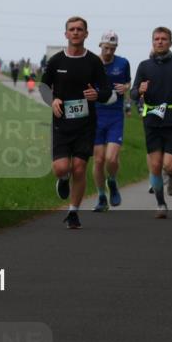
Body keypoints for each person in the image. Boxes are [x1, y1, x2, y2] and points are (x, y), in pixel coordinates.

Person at [40, 17, 113, 229]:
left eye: (79, 29)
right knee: (62, 168)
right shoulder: (56, 61)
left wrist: (97, 95)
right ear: (66, 34)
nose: (75, 32)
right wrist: (52, 100)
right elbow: (44, 87)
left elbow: (107, 90)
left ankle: (73, 212)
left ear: (86, 34)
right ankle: (63, 180)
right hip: (61, 124)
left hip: (85, 125)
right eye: (71, 29)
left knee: (79, 168)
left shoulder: (93, 61)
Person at [129, 27, 172, 219]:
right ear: (152, 42)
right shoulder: (144, 66)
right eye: (156, 39)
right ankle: (160, 203)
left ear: (170, 42)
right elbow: (133, 93)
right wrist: (139, 91)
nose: (160, 42)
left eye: (164, 39)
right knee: (156, 165)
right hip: (151, 120)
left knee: (168, 165)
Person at [92, 31, 131, 211]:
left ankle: (112, 181)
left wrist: (126, 87)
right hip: (96, 115)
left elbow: (128, 83)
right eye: (106, 48)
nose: (109, 52)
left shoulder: (123, 63)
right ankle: (101, 197)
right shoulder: (92, 63)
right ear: (100, 46)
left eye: (112, 48)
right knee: (99, 160)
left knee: (111, 158)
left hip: (115, 115)